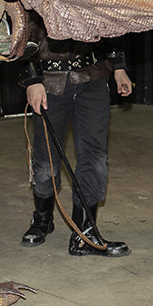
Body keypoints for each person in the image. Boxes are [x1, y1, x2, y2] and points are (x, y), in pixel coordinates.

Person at [21, 16, 132, 257]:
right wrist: (31, 78)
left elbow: (109, 22)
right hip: (48, 83)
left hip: (92, 78)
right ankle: (42, 219)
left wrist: (119, 66)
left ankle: (85, 234)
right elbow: (21, 30)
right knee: (45, 160)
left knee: (94, 157)